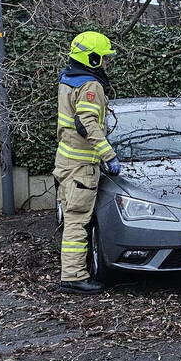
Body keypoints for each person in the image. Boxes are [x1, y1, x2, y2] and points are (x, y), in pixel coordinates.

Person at [54, 31, 121, 295]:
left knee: (72, 218)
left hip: (66, 160)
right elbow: (87, 124)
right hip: (81, 166)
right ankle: (73, 277)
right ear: (92, 58)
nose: (106, 63)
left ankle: (72, 273)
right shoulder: (90, 85)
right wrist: (109, 155)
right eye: (103, 58)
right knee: (77, 220)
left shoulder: (68, 80)